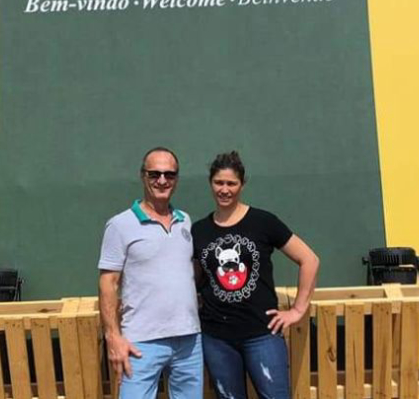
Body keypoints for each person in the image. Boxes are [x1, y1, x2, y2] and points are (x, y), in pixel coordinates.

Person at [192, 151, 319, 399]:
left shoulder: (263, 222)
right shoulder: (199, 231)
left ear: (242, 184)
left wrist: (297, 310)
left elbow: (310, 260)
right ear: (210, 183)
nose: (225, 189)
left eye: (231, 183)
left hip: (261, 334)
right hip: (216, 337)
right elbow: (196, 277)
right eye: (219, 182)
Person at [98, 147, 203, 399]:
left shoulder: (185, 221)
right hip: (140, 342)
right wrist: (113, 337)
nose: (162, 180)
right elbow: (108, 283)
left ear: (176, 179)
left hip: (189, 340)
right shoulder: (120, 225)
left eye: (170, 174)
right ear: (143, 176)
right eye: (154, 174)